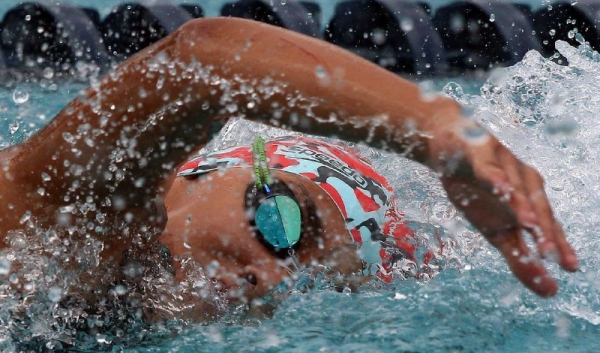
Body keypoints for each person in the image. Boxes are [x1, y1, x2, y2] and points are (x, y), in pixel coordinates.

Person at [0, 17, 579, 322]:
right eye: (281, 224)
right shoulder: (73, 219)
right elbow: (201, 59)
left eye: (311, 287)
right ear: (198, 167)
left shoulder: (106, 310)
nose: (269, 282)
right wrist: (442, 133)